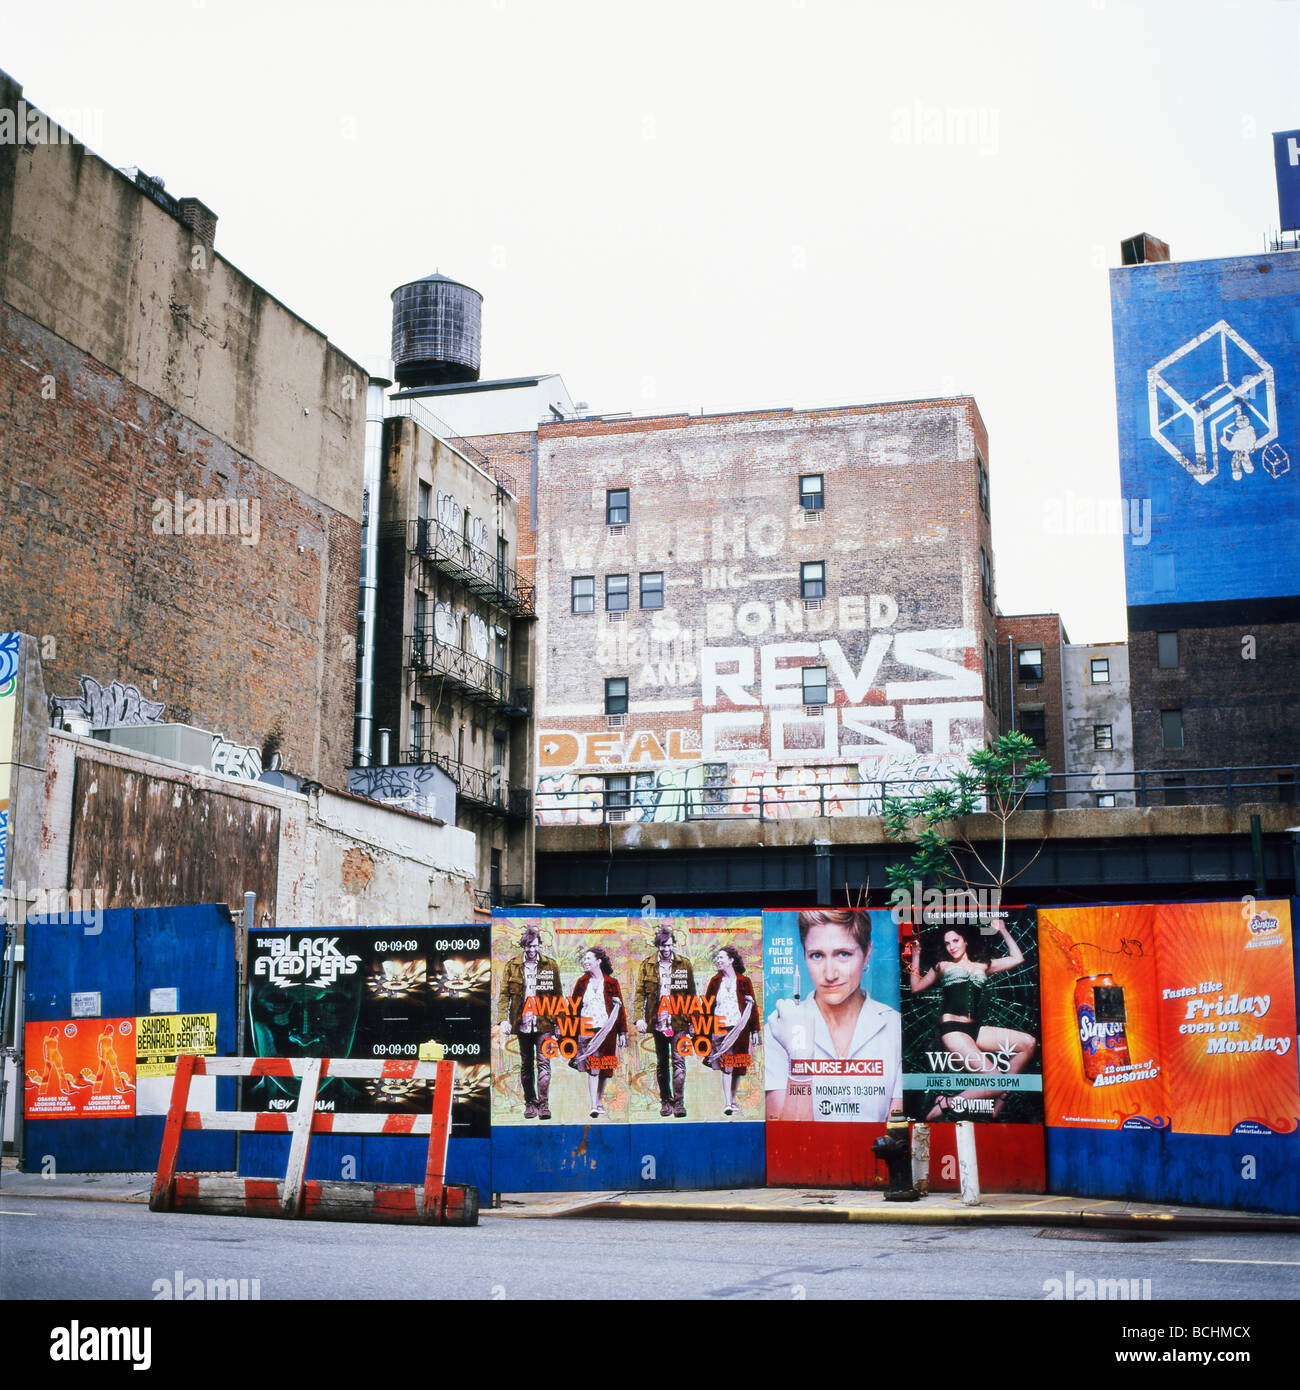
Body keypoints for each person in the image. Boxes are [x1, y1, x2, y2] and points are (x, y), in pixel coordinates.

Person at [765, 909, 901, 1122]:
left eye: (843, 954)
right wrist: (799, 1062)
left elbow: (896, 1133)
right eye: (817, 955)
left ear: (867, 954)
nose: (829, 974)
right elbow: (788, 1138)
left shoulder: (895, 1027)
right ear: (805, 957)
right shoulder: (779, 1027)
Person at [908, 919, 1037, 1119]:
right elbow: (916, 987)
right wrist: (916, 956)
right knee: (995, 1079)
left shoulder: (983, 965)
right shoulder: (942, 965)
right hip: (952, 1031)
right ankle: (946, 1102)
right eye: (947, 943)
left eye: (955, 941)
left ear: (965, 941)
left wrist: (1002, 929)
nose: (952, 947)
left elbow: (1017, 958)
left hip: (974, 1030)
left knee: (1028, 1043)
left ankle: (1003, 1095)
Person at [497, 926, 563, 1119]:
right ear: (523, 947)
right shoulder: (512, 966)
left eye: (534, 946)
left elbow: (558, 996)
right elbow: (504, 995)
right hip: (522, 1023)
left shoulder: (550, 965)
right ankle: (529, 1104)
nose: (532, 950)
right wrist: (503, 1020)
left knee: (544, 1064)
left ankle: (544, 1105)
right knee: (526, 1065)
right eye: (528, 947)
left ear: (540, 945)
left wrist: (559, 1024)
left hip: (545, 1024)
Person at [633, 925, 696, 1117]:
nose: (666, 949)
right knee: (662, 1063)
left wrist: (694, 1022)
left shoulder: (684, 964)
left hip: (679, 1021)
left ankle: (679, 1103)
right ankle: (665, 1101)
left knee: (679, 1062)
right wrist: (638, 1019)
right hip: (658, 1021)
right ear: (657, 946)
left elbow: (692, 994)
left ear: (674, 944)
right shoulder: (647, 965)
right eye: (662, 946)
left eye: (669, 945)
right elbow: (639, 994)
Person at [569, 946, 627, 1118]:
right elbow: (573, 1007)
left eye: (588, 959)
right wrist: (568, 1030)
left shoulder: (612, 983)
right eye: (584, 959)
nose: (585, 962)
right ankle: (593, 1105)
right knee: (593, 1066)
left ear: (598, 961)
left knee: (604, 1068)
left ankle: (599, 1101)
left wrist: (622, 1032)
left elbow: (620, 1010)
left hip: (607, 1030)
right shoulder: (581, 983)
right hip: (586, 1029)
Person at [704, 945, 760, 1117]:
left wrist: (755, 1030)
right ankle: (728, 1103)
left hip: (740, 1029)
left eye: (721, 958)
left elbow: (752, 1007)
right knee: (727, 1065)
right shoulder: (714, 982)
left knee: (737, 1066)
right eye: (717, 958)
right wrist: (702, 1029)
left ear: (731, 960)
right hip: (720, 1028)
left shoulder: (744, 981)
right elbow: (707, 1006)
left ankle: (733, 1099)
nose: (718, 961)